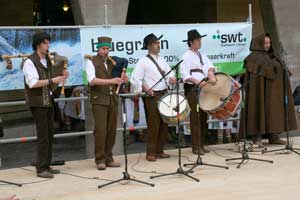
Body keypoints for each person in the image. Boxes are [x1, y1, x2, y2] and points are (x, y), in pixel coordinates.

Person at [22, 31, 68, 178]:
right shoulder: (29, 61)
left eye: (48, 42)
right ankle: (41, 169)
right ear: (38, 44)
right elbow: (33, 83)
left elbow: (52, 78)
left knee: (49, 134)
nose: (48, 45)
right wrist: (53, 80)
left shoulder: (47, 60)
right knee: (43, 136)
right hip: (37, 102)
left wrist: (61, 77)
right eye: (45, 43)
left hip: (48, 100)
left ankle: (47, 165)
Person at [239, 33, 297, 147]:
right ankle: (257, 137)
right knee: (258, 109)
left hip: (273, 92)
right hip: (259, 93)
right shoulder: (253, 57)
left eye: (269, 43)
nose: (268, 45)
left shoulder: (272, 55)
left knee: (274, 112)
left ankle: (273, 136)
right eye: (265, 43)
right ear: (259, 43)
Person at [130, 33, 176, 161]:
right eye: (156, 43)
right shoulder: (143, 61)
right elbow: (135, 78)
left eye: (158, 43)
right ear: (149, 46)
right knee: (154, 124)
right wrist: (145, 88)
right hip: (152, 95)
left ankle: (160, 150)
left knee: (164, 123)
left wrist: (172, 78)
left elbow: (169, 73)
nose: (158, 45)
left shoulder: (161, 59)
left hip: (163, 93)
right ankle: (150, 153)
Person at [85, 36, 127, 170]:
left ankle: (109, 157)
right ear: (98, 48)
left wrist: (123, 79)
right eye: (103, 48)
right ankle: (100, 159)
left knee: (111, 130)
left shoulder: (112, 62)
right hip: (99, 100)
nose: (106, 51)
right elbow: (92, 80)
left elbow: (117, 79)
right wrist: (111, 81)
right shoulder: (91, 61)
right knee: (101, 130)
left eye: (108, 49)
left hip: (112, 99)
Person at [180, 29, 216, 155]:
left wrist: (211, 72)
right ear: (191, 42)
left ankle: (202, 144)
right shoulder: (186, 56)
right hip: (193, 89)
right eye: (198, 40)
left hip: (204, 88)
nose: (200, 42)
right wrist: (197, 82)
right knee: (195, 117)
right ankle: (196, 146)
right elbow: (184, 75)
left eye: (200, 40)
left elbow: (209, 65)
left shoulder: (202, 54)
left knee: (203, 116)